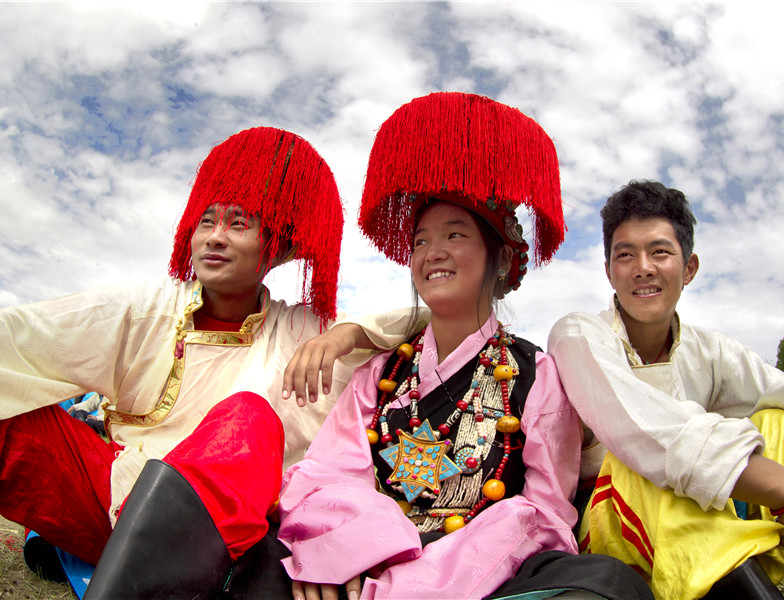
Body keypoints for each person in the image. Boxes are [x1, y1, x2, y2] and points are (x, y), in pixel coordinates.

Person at [0, 127, 405, 599]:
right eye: (207, 222)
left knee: (249, 415)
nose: (215, 238)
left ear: (280, 249)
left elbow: (424, 315)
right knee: (11, 413)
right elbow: (13, 340)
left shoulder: (301, 330)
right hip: (110, 500)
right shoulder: (147, 305)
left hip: (210, 542)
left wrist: (348, 332)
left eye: (238, 225)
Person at [277, 93, 653, 600]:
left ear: (498, 260)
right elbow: (328, 473)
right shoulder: (382, 372)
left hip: (484, 575)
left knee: (604, 584)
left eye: (455, 235)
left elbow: (545, 512)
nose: (434, 253)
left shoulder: (537, 375)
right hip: (361, 562)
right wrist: (352, 548)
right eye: (421, 241)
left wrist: (430, 573)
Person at [548, 180, 784, 600]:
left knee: (780, 419)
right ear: (609, 271)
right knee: (640, 464)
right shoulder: (578, 334)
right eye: (625, 255)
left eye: (660, 252)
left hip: (708, 519)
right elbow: (646, 433)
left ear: (689, 269)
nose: (643, 267)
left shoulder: (710, 349)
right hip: (611, 530)